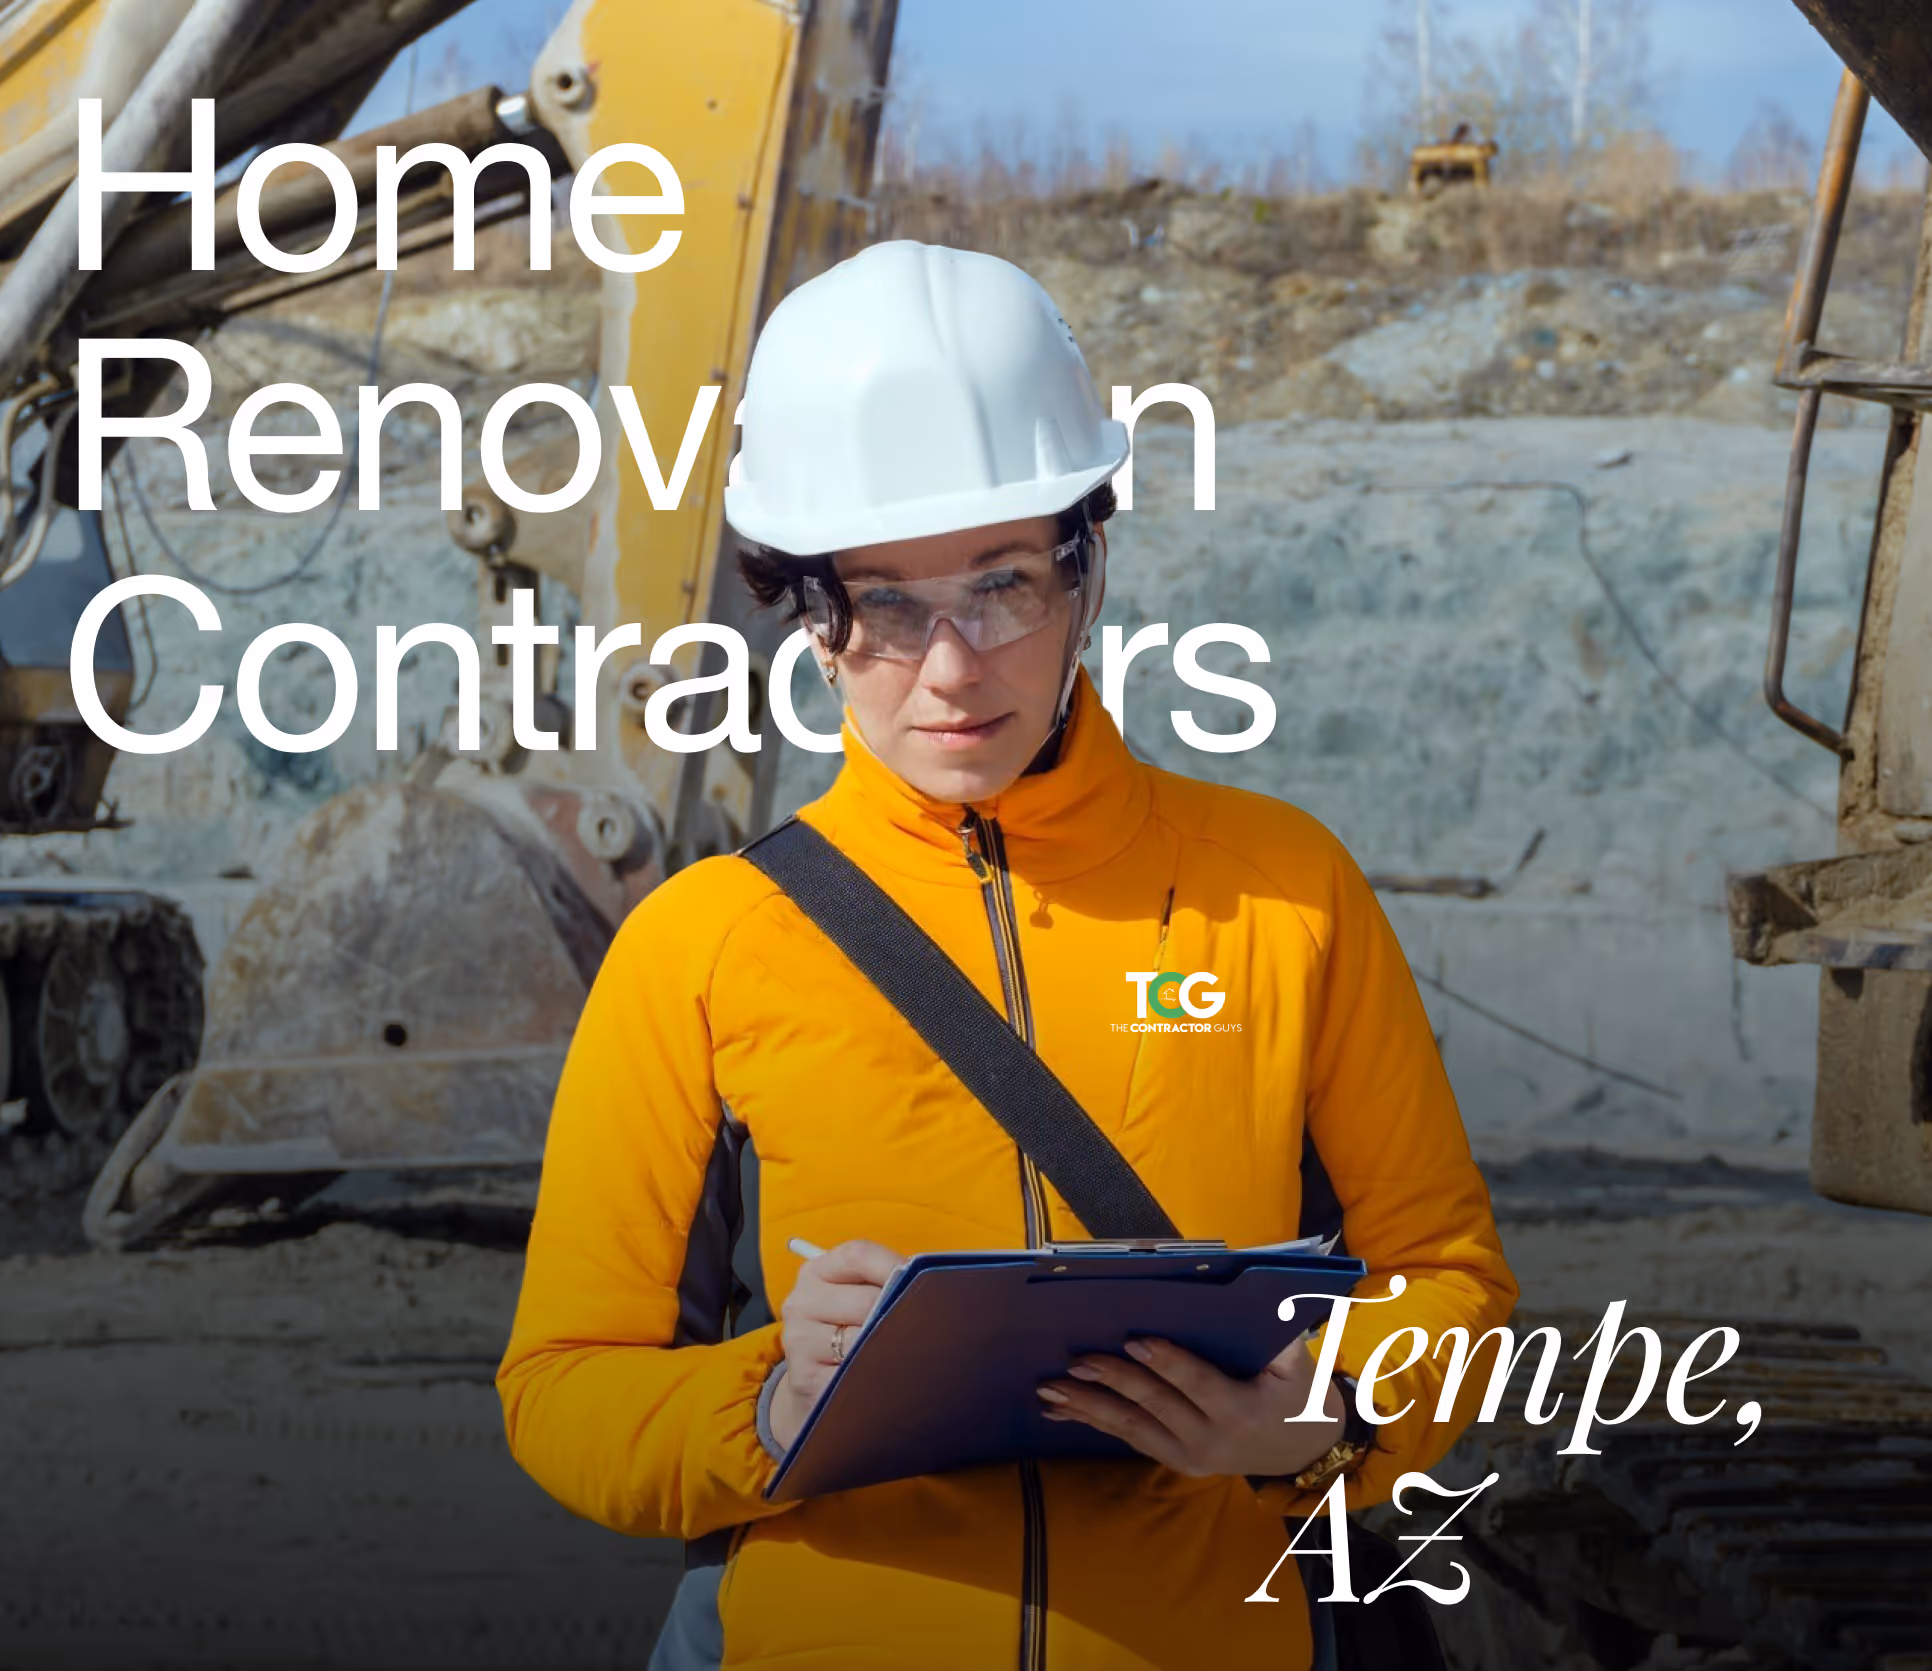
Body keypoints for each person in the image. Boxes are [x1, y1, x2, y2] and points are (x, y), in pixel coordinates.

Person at [497, 240, 1518, 1671]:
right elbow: (563, 1389)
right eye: (885, 603)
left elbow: (1452, 1286)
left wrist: (1327, 1412)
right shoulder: (704, 946)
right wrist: (773, 1402)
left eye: (1003, 584)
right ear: (807, 612)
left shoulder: (1286, 892)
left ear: (1087, 565)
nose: (954, 665)